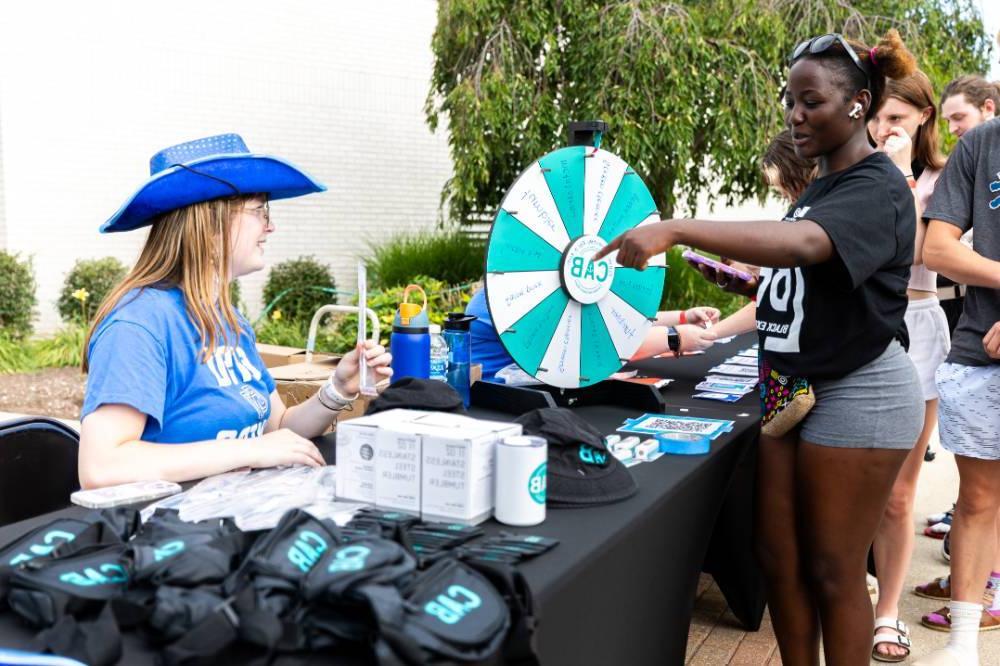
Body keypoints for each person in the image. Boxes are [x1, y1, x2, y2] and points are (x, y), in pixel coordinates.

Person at [596, 31, 922, 665]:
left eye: (812, 102)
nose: (796, 116)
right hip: (789, 387)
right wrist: (754, 283)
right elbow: (811, 276)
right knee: (778, 555)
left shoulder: (878, 185)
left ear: (857, 105)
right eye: (790, 101)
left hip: (858, 390)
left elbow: (805, 248)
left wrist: (676, 226)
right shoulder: (821, 188)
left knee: (833, 569)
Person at [79, 134, 393, 488]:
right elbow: (102, 468)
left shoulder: (228, 321)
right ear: (211, 226)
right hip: (173, 531)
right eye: (260, 210)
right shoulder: (139, 324)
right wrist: (250, 451)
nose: (270, 225)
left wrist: (339, 389)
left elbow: (277, 428)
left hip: (238, 512)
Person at [865, 69, 949, 662]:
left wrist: (897, 177)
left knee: (898, 491)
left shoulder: (943, 180)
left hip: (919, 325)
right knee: (850, 480)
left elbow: (920, 254)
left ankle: (887, 611)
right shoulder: (859, 170)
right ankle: (851, 585)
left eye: (896, 119)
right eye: (876, 118)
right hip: (862, 330)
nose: (883, 129)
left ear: (923, 117)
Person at [913, 116, 1000, 666]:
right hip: (979, 359)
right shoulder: (981, 144)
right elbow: (939, 251)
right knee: (979, 501)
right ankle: (962, 645)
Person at [689, 129, 817, 341]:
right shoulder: (798, 221)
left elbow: (802, 296)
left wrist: (709, 335)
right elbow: (781, 297)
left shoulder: (820, 228)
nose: (788, 200)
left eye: (788, 190)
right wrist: (756, 279)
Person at [465, 287, 719, 381]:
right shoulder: (505, 304)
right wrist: (674, 338)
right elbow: (594, 344)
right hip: (494, 402)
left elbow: (612, 321)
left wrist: (683, 316)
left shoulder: (527, 294)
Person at [935, 77, 999, 334]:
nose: (952, 128)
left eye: (958, 117)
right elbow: (938, 249)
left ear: (988, 107)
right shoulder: (964, 158)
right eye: (947, 120)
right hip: (969, 308)